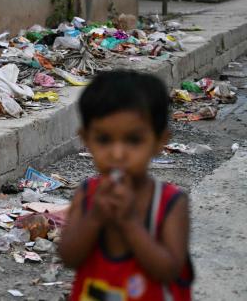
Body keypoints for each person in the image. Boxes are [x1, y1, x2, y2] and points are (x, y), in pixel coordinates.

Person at [59, 70, 193, 301]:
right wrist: (95, 217)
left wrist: (130, 222)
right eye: (103, 140)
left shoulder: (169, 203)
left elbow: (169, 270)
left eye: (133, 140)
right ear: (86, 139)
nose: (117, 154)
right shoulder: (88, 195)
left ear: (160, 142)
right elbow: (69, 257)